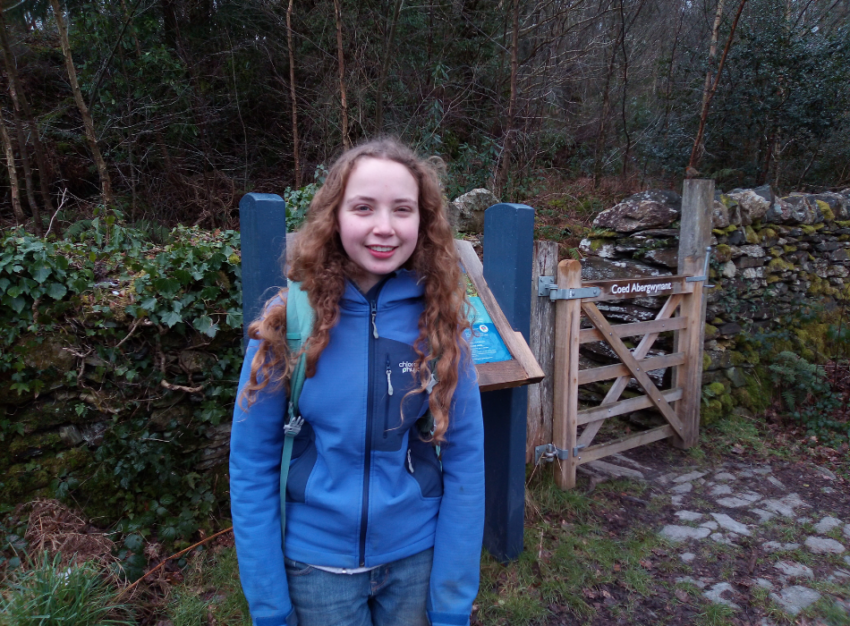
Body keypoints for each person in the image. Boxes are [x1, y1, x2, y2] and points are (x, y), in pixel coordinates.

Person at [229, 138, 485, 626]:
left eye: (402, 209)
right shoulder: (287, 325)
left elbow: (466, 462)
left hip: (416, 558)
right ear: (335, 217)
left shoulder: (440, 324)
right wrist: (268, 604)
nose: (384, 227)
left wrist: (452, 599)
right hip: (315, 569)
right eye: (364, 207)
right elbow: (250, 466)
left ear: (424, 221)